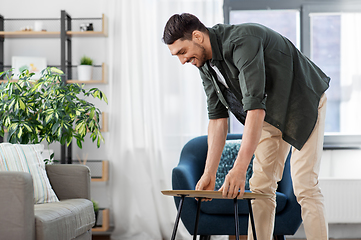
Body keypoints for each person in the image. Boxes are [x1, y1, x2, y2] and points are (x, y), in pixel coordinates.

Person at [162, 13, 330, 240]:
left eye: (183, 52)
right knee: (261, 187)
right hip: (272, 112)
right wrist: (209, 173)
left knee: (304, 185)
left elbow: (254, 108)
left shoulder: (242, 41)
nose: (182, 60)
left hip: (302, 102)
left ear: (197, 37)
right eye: (177, 56)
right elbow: (217, 119)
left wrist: (239, 169)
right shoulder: (204, 64)